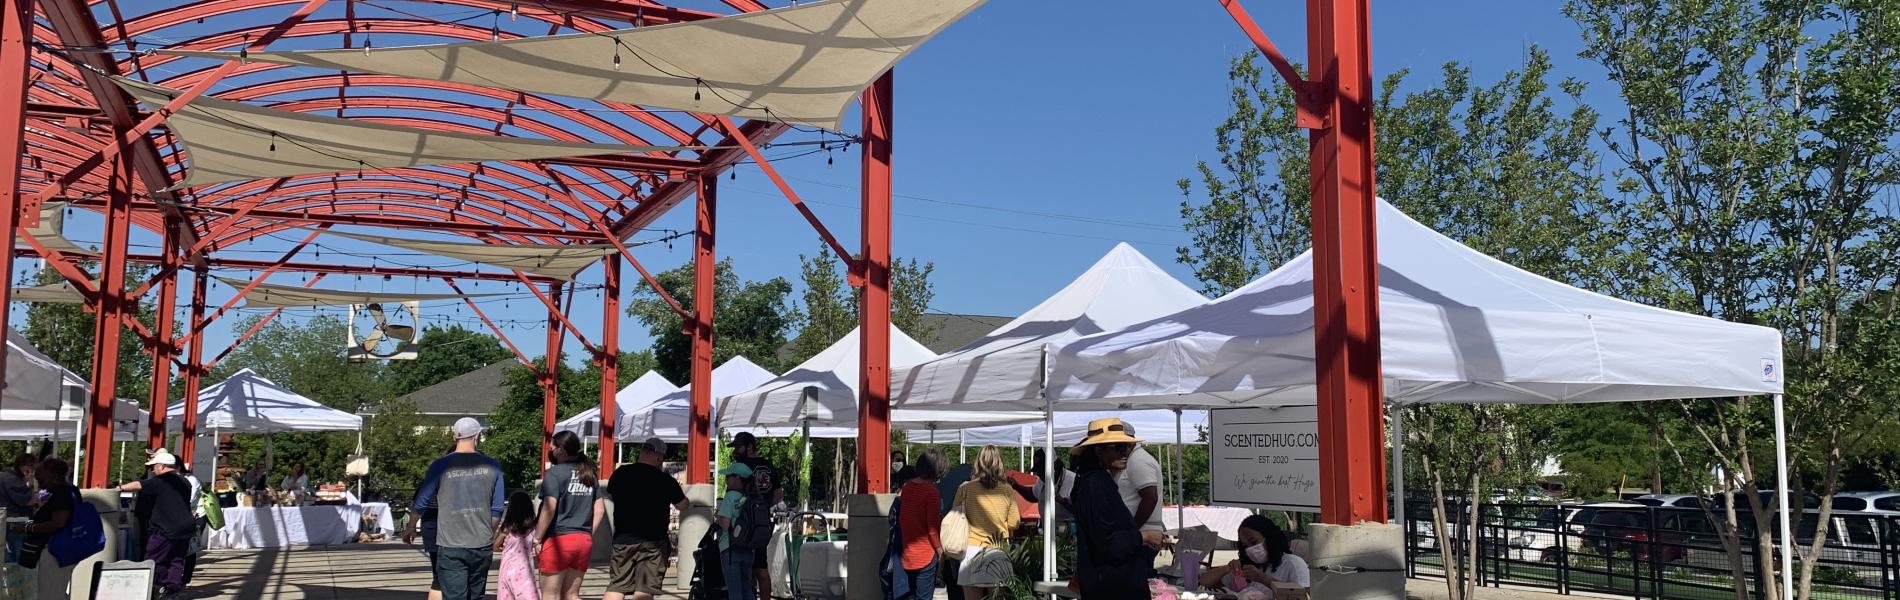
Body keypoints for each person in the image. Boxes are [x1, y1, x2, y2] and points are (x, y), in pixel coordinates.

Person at [405, 418, 506, 600]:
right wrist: (488, 533)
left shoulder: (440, 466)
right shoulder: (492, 466)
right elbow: (497, 509)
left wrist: (411, 526)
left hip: (451, 544)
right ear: (478, 436)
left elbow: (422, 501)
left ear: (454, 437)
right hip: (481, 544)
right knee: (476, 595)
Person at [1071, 418, 1168, 600]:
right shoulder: (1095, 484)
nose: (1125, 452)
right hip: (1112, 585)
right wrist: (1142, 536)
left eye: (1126, 446)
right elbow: (1106, 542)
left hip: (1113, 582)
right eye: (1118, 447)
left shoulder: (1097, 481)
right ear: (1099, 451)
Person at [603, 438, 688, 600]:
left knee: (617, 586)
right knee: (645, 589)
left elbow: (611, 494)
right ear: (659, 457)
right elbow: (682, 505)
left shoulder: (621, 473)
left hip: (623, 540)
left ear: (642, 452)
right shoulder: (664, 480)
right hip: (653, 541)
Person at [117, 450, 197, 599]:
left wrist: (119, 488)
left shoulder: (161, 481)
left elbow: (139, 484)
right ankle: (172, 590)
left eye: (154, 466)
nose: (153, 470)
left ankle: (165, 582)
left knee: (152, 560)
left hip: (166, 527)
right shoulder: (185, 481)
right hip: (185, 526)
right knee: (176, 560)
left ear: (162, 466)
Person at [536, 431, 605, 600]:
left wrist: (537, 538)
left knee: (550, 594)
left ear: (562, 450)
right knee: (572, 595)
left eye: (553, 445)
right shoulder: (588, 473)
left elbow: (549, 507)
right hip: (583, 540)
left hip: (558, 539)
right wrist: (588, 533)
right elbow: (600, 510)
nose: (550, 448)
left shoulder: (554, 474)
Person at [952, 445, 1020, 600]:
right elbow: (1014, 522)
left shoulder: (965, 488)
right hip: (998, 549)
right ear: (1000, 463)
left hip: (971, 549)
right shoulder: (1007, 490)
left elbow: (954, 515)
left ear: (978, 463)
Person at [9, 458, 74, 600]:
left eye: (42, 480)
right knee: (55, 591)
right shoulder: (68, 490)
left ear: (54, 476)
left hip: (55, 550)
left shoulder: (61, 493)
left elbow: (58, 523)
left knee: (50, 594)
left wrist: (28, 528)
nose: (41, 485)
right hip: (61, 549)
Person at [1199, 515, 1310, 595]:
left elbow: (1303, 595)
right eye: (1245, 545)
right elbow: (1205, 581)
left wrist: (1263, 579)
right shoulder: (1247, 567)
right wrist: (1227, 568)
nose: (1250, 549)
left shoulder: (1292, 563)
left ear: (1269, 538)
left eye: (1253, 542)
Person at [727, 432, 779, 596]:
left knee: (742, 566)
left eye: (738, 446)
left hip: (743, 523)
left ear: (749, 446)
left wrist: (746, 508)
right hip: (762, 523)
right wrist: (762, 508)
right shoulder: (768, 465)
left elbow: (732, 493)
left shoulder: (740, 466)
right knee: (761, 567)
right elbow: (779, 493)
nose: (736, 450)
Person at [1117, 423, 1164, 576]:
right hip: (1140, 533)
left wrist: (1132, 530)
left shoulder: (1138, 461)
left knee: (1137, 583)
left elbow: (1150, 497)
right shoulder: (1132, 459)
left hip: (1143, 534)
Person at [897, 448, 944, 600]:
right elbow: (932, 528)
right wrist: (940, 550)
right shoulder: (931, 492)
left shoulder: (907, 487)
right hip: (926, 554)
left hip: (907, 553)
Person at [715, 463, 756, 600]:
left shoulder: (730, 496)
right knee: (747, 589)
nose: (726, 479)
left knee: (735, 592)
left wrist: (718, 517)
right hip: (749, 548)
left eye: (728, 476)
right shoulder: (753, 496)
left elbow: (725, 525)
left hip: (730, 549)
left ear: (737, 478)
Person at [494, 490, 540, 600]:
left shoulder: (507, 528)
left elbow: (495, 546)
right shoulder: (533, 528)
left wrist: (506, 550)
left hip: (507, 567)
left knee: (507, 595)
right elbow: (537, 544)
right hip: (525, 568)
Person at [2, 454, 37, 562]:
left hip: (9, 521)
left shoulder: (6, 477)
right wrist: (31, 482)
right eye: (29, 466)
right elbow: (28, 500)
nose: (31, 470)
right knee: (19, 560)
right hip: (16, 522)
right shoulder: (12, 480)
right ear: (21, 465)